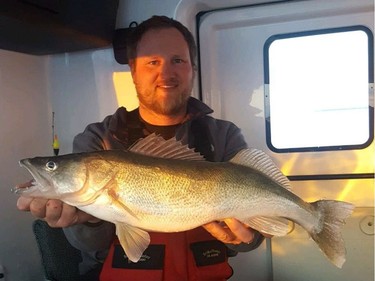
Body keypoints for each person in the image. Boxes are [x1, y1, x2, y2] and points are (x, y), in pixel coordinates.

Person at [17, 15, 265, 280]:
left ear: (192, 68)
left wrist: (247, 237)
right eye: (153, 62)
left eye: (177, 61)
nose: (166, 74)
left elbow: (251, 240)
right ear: (134, 71)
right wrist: (87, 219)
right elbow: (90, 245)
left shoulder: (224, 135)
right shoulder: (99, 138)